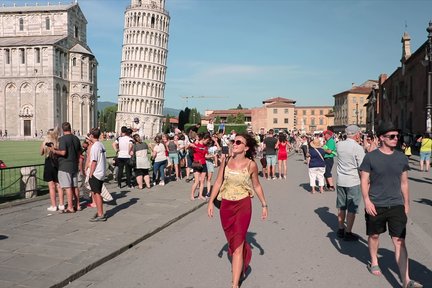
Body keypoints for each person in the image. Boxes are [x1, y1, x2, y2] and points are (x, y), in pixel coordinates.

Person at [359, 122, 422, 288]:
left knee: (399, 240)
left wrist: (406, 203)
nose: (396, 139)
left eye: (397, 136)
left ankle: (406, 280)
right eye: (391, 136)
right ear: (381, 138)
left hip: (396, 205)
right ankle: (374, 261)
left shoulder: (401, 157)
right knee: (374, 236)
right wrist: (366, 200)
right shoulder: (370, 157)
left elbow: (404, 183)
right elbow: (364, 180)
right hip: (375, 204)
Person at [207, 133, 268, 288]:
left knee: (238, 244)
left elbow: (257, 185)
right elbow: (218, 181)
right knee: (232, 243)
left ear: (246, 148)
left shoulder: (251, 165)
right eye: (233, 141)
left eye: (238, 142)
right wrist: (209, 202)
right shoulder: (226, 161)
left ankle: (234, 285)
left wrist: (264, 205)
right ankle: (241, 265)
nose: (234, 143)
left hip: (243, 205)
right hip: (226, 206)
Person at [335, 125, 365, 241]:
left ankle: (341, 228)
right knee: (352, 208)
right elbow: (362, 167)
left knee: (341, 206)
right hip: (353, 181)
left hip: (341, 180)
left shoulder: (339, 145)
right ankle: (348, 232)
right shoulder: (357, 148)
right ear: (357, 134)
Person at [50, 122, 81, 213]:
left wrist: (54, 150)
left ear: (63, 130)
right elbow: (79, 152)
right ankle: (78, 205)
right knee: (75, 186)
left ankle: (70, 207)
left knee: (67, 187)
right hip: (74, 165)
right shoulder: (76, 138)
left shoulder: (62, 139)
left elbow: (63, 153)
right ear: (70, 128)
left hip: (65, 166)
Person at [40, 128, 64, 212]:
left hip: (49, 164)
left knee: (51, 186)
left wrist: (43, 144)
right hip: (57, 163)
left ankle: (54, 205)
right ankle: (61, 204)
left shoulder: (45, 142)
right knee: (59, 185)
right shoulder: (58, 142)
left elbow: (41, 153)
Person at [88, 128, 107, 222]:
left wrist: (90, 173)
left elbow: (94, 161)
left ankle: (100, 214)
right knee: (97, 192)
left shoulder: (95, 146)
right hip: (101, 171)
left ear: (91, 135)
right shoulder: (101, 144)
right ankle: (100, 211)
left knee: (96, 193)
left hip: (96, 172)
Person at [189, 132, 210, 200]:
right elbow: (187, 147)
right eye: (207, 140)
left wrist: (213, 156)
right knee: (197, 181)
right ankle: (192, 195)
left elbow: (206, 156)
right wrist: (190, 145)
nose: (207, 142)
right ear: (204, 139)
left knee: (202, 180)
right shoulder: (196, 144)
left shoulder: (205, 147)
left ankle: (200, 195)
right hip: (197, 164)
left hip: (203, 164)